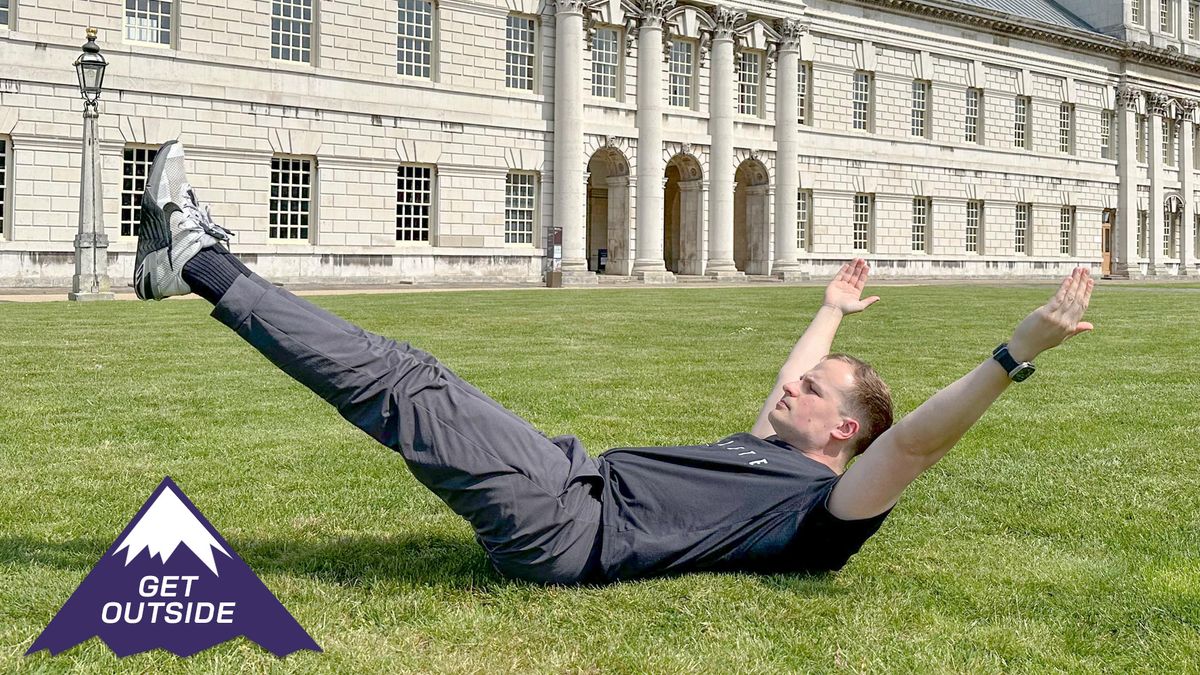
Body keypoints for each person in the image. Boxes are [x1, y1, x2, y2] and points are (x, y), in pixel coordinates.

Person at [134, 141, 1095, 585]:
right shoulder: (772, 451)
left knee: (400, 385)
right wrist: (826, 311)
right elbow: (785, 382)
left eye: (814, 388)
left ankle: (198, 262)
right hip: (568, 474)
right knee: (409, 374)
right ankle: (191, 263)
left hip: (567, 526)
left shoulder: (820, 516)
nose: (791, 385)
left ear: (844, 431)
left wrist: (1017, 352)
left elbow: (916, 447)